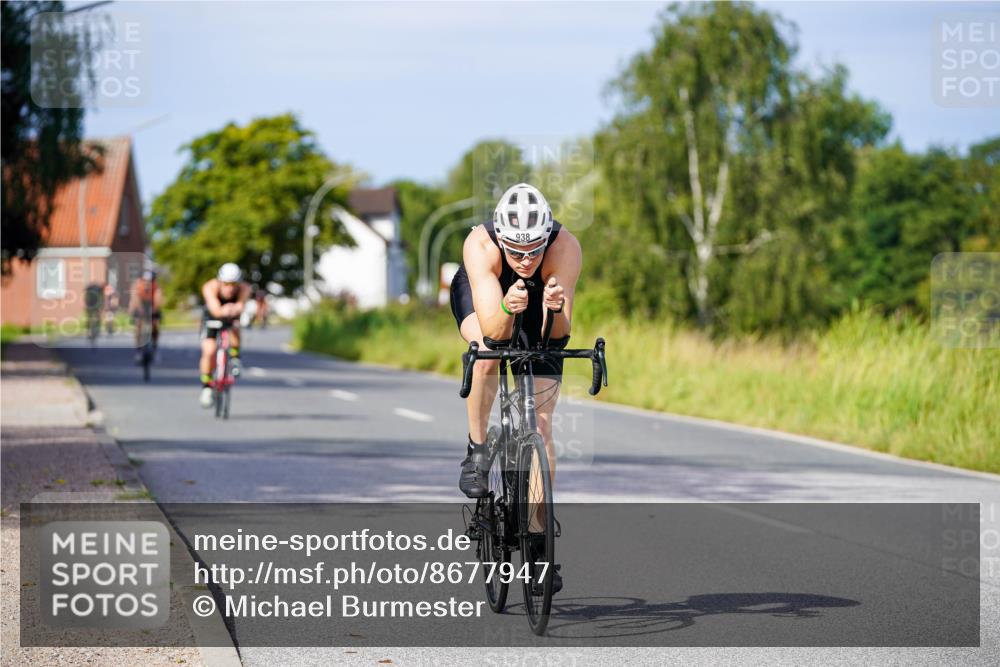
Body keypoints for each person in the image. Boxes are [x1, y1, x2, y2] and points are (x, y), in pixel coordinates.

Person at [448, 183, 582, 593]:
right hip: (485, 295)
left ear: (546, 239)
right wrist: (507, 306)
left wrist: (554, 307)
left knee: (541, 426)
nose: (525, 260)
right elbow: (494, 329)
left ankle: (538, 541)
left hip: (541, 300)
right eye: (516, 251)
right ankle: (478, 449)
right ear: (502, 238)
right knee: (487, 351)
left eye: (534, 251)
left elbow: (558, 335)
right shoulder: (482, 246)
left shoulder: (564, 248)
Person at [199, 263, 251, 408]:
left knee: (235, 327)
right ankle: (207, 386)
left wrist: (234, 310)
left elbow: (241, 305)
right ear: (220, 281)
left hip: (232, 315)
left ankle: (235, 358)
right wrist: (227, 310)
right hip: (212, 317)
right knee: (209, 350)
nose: (230, 288)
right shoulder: (210, 287)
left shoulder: (245, 288)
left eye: (234, 284)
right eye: (226, 284)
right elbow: (215, 310)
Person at [130, 269, 163, 362]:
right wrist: (139, 310)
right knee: (138, 327)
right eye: (145, 281)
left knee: (155, 326)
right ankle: (138, 351)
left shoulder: (156, 287)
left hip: (152, 305)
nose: (147, 283)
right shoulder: (137, 285)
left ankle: (155, 348)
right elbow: (135, 298)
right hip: (141, 305)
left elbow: (158, 299)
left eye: (149, 281)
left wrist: (154, 309)